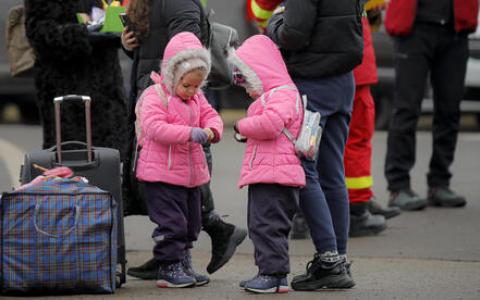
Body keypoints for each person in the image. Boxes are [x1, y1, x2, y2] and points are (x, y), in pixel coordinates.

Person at [121, 0, 247, 279]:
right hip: (157, 92)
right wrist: (128, 45)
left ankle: (181, 257)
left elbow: (188, 51)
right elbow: (153, 50)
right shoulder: (149, 4)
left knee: (177, 194)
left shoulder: (178, 4)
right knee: (163, 192)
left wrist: (176, 89)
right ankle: (171, 257)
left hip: (171, 98)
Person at [266, 0, 362, 290]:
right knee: (332, 171)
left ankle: (329, 261)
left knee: (304, 168)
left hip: (312, 84)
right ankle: (339, 258)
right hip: (343, 81)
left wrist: (275, 23)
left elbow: (293, 34)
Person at [135, 31, 223, 288]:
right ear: (173, 75)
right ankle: (168, 266)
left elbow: (211, 115)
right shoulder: (155, 95)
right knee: (171, 223)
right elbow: (154, 128)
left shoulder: (197, 96)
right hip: (162, 174)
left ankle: (183, 261)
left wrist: (213, 129)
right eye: (186, 85)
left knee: (192, 222)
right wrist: (190, 133)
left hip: (190, 175)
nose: (191, 91)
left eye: (197, 86)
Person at [228, 34, 305, 294]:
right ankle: (267, 271)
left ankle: (274, 274)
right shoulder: (278, 94)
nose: (247, 90)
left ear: (261, 72)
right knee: (260, 225)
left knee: (268, 226)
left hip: (276, 176)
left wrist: (241, 125)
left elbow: (271, 125)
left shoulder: (282, 94)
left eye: (247, 81)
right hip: (269, 173)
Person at [383, 0, 478, 210]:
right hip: (414, 28)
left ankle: (439, 183)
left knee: (450, 110)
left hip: (454, 31)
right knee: (407, 108)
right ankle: (398, 186)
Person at [24, 0, 128, 159]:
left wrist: (119, 30)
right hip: (66, 92)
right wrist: (83, 34)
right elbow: (39, 33)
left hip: (107, 89)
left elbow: (117, 14)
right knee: (70, 164)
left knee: (109, 162)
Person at [347, 6, 402, 237]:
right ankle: (355, 211)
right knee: (355, 139)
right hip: (350, 60)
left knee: (312, 140)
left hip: (310, 63)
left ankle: (305, 215)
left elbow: (263, 8)